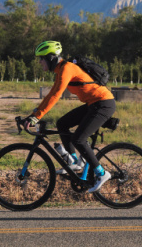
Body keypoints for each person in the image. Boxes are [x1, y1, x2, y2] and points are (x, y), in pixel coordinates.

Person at [23, 41, 116, 193]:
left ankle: (101, 173)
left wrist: (36, 117)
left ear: (50, 58)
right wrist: (33, 115)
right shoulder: (61, 71)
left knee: (79, 139)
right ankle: (74, 161)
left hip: (103, 104)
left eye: (41, 58)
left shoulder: (67, 68)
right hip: (93, 104)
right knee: (62, 124)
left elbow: (55, 95)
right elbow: (50, 95)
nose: (39, 62)